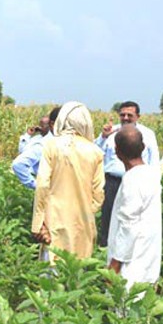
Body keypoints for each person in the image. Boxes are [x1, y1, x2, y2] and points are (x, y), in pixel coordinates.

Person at [31, 101, 105, 261]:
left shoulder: (51, 146)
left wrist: (38, 223)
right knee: (77, 272)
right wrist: (84, 211)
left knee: (52, 270)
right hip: (82, 223)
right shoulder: (96, 152)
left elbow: (42, 185)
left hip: (53, 220)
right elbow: (98, 195)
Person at [95, 101, 160, 247]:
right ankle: (105, 250)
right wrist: (103, 137)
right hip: (112, 182)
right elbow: (94, 153)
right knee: (109, 220)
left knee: (133, 221)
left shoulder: (148, 134)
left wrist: (154, 185)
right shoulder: (111, 132)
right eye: (122, 114)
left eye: (129, 115)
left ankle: (129, 252)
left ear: (138, 116)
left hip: (138, 182)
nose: (125, 118)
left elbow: (155, 162)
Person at [106, 125, 162, 290]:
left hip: (131, 262)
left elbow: (128, 225)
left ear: (117, 152)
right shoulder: (151, 174)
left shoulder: (132, 180)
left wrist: (115, 264)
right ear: (143, 148)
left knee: (125, 306)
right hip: (147, 255)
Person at [12, 109, 58, 189]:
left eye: (43, 125)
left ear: (50, 125)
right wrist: (27, 135)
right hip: (34, 178)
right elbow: (21, 153)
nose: (39, 127)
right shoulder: (37, 140)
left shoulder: (54, 141)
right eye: (40, 125)